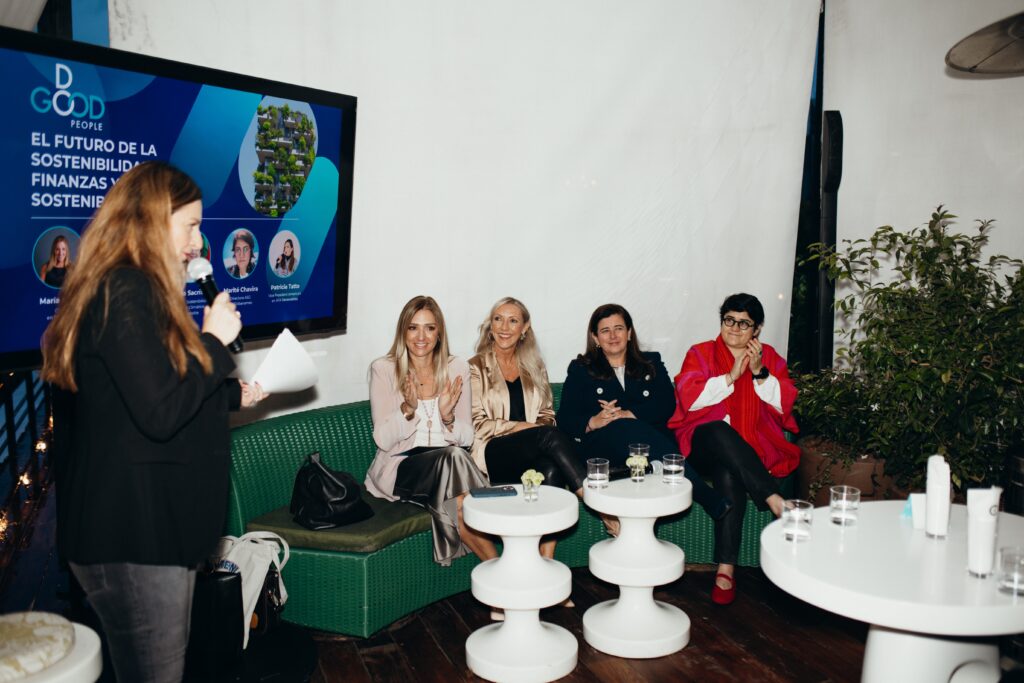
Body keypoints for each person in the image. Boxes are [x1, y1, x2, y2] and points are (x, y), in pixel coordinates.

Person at [41, 161, 266, 682]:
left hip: (151, 529)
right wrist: (214, 341)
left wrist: (231, 393)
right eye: (190, 225)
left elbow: (151, 390)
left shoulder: (133, 289)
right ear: (149, 220)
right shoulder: (123, 290)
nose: (197, 242)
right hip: (132, 537)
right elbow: (161, 411)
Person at [668, 293, 800, 605]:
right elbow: (689, 399)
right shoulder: (700, 353)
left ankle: (725, 569)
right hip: (700, 446)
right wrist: (731, 377)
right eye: (729, 320)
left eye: (744, 323)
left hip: (749, 450)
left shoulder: (768, 357)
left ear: (757, 329)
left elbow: (783, 404)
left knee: (728, 470)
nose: (735, 328)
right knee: (717, 428)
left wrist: (759, 372)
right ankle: (773, 497)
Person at [556, 304, 730, 522]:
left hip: (651, 444)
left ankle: (654, 467)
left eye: (619, 328)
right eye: (605, 330)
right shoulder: (581, 368)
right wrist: (593, 421)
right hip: (602, 449)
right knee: (621, 425)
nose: (613, 336)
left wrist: (629, 413)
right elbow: (564, 417)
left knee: (627, 424)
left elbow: (667, 403)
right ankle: (702, 492)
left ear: (629, 333)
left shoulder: (651, 362)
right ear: (595, 338)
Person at [365, 295, 497, 569]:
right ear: (403, 332)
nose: (421, 337)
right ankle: (503, 570)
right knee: (454, 459)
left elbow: (467, 438)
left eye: (429, 328)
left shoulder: (456, 368)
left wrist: (447, 417)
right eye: (413, 327)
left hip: (448, 468)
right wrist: (407, 409)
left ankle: (497, 572)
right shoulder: (384, 369)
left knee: (457, 495)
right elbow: (383, 440)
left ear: (439, 333)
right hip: (403, 467)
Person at [468, 297, 586, 562]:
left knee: (551, 467)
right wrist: (523, 428)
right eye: (498, 319)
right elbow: (477, 424)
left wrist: (535, 431)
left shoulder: (534, 366)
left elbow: (547, 415)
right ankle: (589, 495)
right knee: (548, 437)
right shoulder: (475, 367)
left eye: (513, 321)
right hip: (492, 454)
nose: (504, 327)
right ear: (490, 325)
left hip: (532, 453)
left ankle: (546, 558)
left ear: (524, 328)